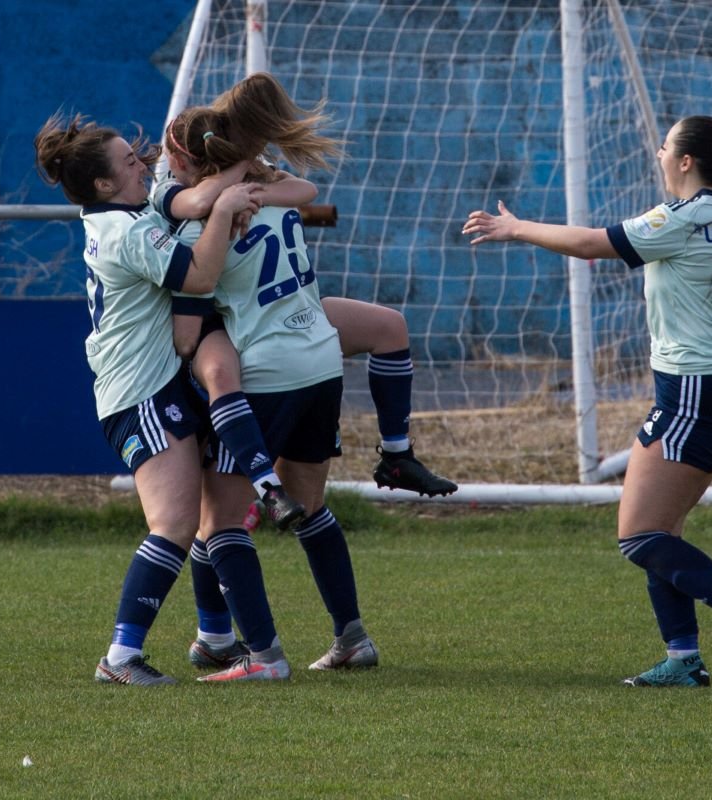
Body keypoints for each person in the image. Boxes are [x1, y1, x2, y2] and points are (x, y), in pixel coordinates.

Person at [463, 115, 712, 687]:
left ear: (686, 162)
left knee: (639, 536)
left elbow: (592, 244)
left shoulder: (685, 217)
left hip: (696, 393)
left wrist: (515, 228)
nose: (658, 153)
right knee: (660, 532)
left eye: (665, 146)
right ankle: (683, 660)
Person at [33, 112, 291, 684]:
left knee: (203, 519)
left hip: (153, 386)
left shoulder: (123, 213)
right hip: (139, 391)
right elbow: (198, 277)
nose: (142, 163)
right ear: (103, 184)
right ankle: (121, 658)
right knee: (173, 523)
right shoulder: (127, 232)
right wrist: (226, 209)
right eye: (129, 161)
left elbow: (192, 200)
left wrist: (241, 165)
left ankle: (215, 639)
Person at [161, 75, 380, 678]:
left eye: (166, 154)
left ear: (187, 157)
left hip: (269, 370)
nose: (161, 163)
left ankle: (261, 656)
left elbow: (186, 325)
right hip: (321, 358)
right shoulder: (276, 194)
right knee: (311, 507)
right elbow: (301, 186)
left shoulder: (202, 217)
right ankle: (351, 638)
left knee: (219, 521)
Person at [161, 73, 458, 501]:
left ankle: (397, 455)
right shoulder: (179, 187)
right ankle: (254, 476)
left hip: (283, 310)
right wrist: (230, 201)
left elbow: (307, 188)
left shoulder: (248, 175)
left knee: (389, 327)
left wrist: (253, 189)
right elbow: (198, 203)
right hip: (221, 318)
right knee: (220, 377)